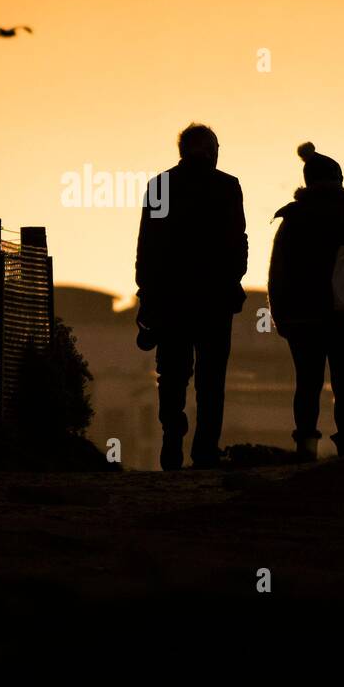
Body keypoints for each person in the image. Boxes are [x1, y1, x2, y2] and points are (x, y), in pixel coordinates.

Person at [135, 123, 248, 470]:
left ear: (183, 150)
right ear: (212, 150)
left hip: (171, 300)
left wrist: (146, 295)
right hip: (214, 300)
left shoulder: (160, 186)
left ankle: (172, 434)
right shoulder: (228, 187)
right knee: (211, 379)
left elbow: (147, 246)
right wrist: (234, 279)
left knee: (171, 374)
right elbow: (238, 241)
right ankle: (205, 451)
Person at [268, 141, 344, 460]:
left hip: (302, 320)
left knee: (307, 384)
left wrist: (281, 317)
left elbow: (277, 275)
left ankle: (306, 446)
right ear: (340, 180)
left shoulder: (291, 222)